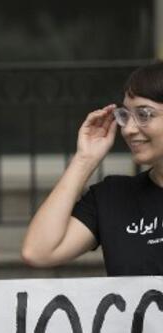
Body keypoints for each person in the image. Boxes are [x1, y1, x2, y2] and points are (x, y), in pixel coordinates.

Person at [21, 62, 163, 276]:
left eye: (144, 114)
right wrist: (84, 160)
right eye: (125, 115)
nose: (129, 130)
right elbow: (38, 252)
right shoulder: (113, 196)